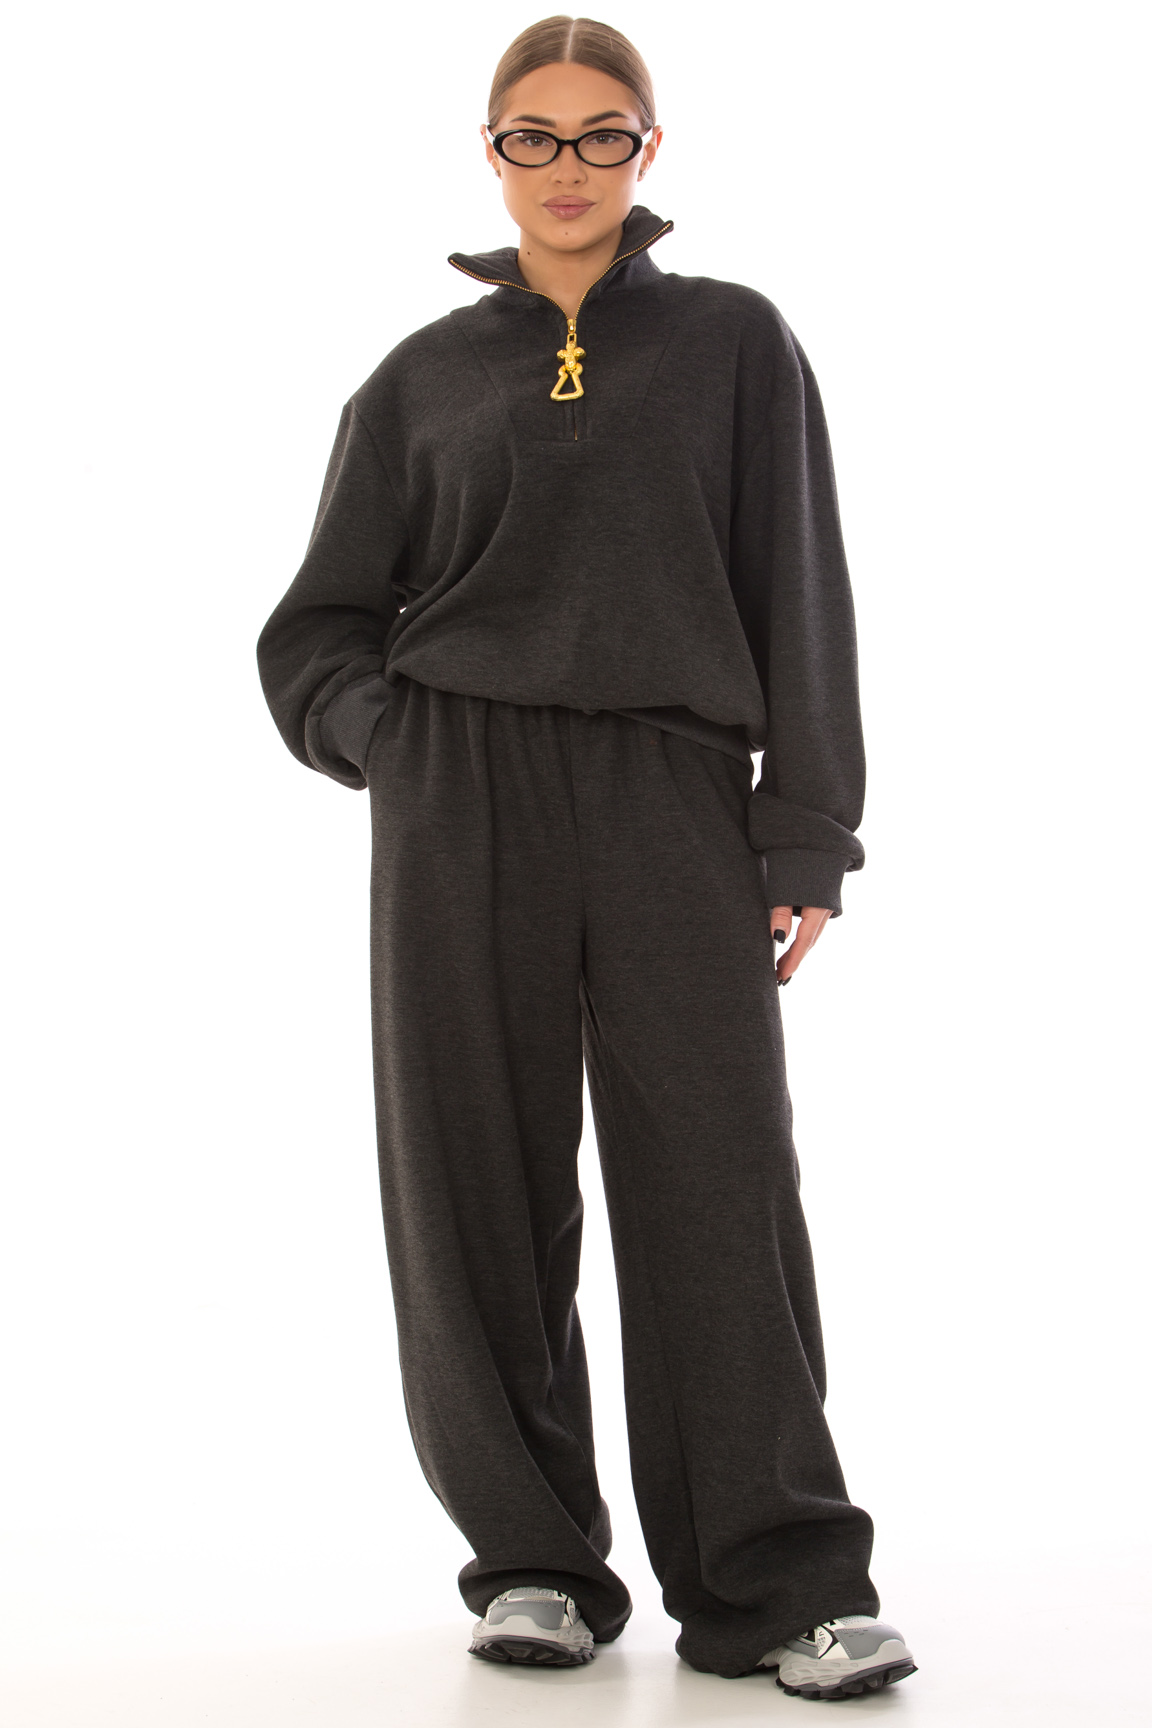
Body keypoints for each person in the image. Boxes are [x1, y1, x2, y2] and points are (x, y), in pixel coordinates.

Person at [256, 13, 917, 1703]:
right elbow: (317, 625)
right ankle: (535, 1561)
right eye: (534, 136)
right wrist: (391, 741)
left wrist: (808, 827)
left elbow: (801, 589)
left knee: (718, 1176)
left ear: (649, 150)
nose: (568, 165)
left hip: (673, 789)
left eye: (601, 132)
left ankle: (780, 1585)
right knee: (470, 1176)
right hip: (459, 791)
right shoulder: (418, 379)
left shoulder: (733, 342)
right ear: (491, 155)